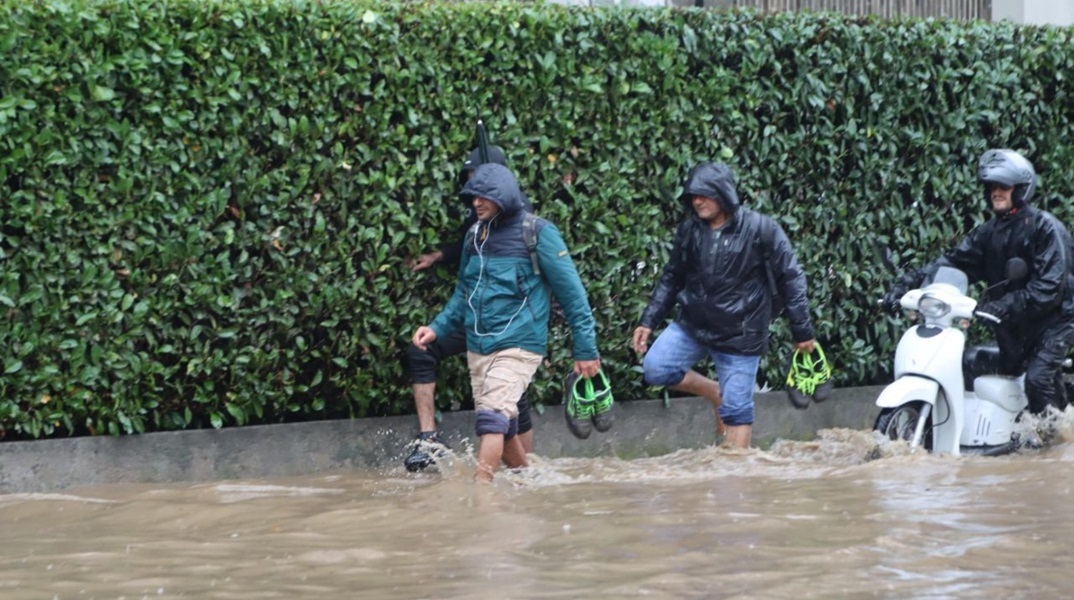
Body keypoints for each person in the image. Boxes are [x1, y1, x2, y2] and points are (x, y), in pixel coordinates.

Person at [412, 163, 601, 482]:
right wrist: (437, 328)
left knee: (491, 419)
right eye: (472, 197)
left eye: (483, 196)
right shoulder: (475, 235)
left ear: (504, 195)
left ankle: (481, 491)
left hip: (519, 344)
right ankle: (529, 481)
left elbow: (574, 296)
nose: (476, 203)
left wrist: (585, 349)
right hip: (479, 345)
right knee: (504, 423)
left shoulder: (539, 233)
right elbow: (464, 291)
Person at [631, 161, 817, 449]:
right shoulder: (690, 230)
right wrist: (648, 321)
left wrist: (802, 330)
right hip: (693, 326)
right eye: (693, 195)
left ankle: (735, 475)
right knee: (656, 368)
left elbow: (791, 278)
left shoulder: (761, 228)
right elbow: (672, 277)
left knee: (737, 411)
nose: (697, 201)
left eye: (704, 194)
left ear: (723, 193)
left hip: (740, 335)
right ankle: (715, 392)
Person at [883, 148, 1074, 416]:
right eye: (992, 187)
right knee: (968, 364)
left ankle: (1056, 437)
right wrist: (906, 285)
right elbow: (952, 262)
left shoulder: (1044, 227)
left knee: (1037, 379)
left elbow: (1049, 288)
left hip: (1054, 324)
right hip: (1013, 326)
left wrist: (1004, 305)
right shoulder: (989, 232)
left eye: (1004, 186)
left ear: (1020, 189)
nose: (997, 192)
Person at [403, 146, 537, 472]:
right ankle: (429, 439)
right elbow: (465, 270)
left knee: (510, 405)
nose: (473, 188)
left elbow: (566, 288)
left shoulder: (524, 219)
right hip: (473, 319)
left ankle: (520, 474)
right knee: (421, 351)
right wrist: (438, 257)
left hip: (510, 329)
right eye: (469, 179)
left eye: (477, 177)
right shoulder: (476, 219)